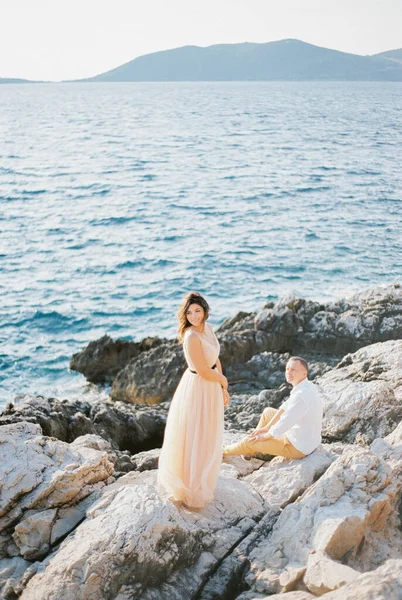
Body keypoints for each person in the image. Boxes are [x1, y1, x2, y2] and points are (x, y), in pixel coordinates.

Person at [158, 291, 230, 508]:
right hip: (198, 386)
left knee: (207, 433)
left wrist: (221, 387)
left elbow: (215, 359)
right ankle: (189, 485)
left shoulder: (207, 328)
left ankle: (201, 478)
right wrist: (224, 382)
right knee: (194, 434)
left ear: (205, 311)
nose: (194, 316)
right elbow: (202, 370)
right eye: (189, 313)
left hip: (210, 385)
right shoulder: (191, 336)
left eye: (197, 311)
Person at [223, 356, 323, 460]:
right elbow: (285, 407)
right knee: (268, 412)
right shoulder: (306, 386)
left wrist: (267, 436)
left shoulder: (301, 395)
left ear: (304, 373)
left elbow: (286, 420)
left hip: (298, 447)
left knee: (248, 442)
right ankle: (252, 448)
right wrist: (266, 428)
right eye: (287, 369)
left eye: (293, 370)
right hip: (304, 437)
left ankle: (224, 451)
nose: (288, 372)